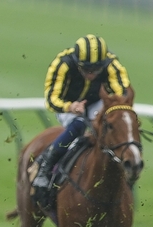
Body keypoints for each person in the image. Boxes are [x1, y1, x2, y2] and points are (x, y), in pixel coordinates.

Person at [31, 34, 131, 206]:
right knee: (78, 125)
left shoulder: (112, 64)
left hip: (96, 103)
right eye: (85, 70)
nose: (91, 75)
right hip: (67, 104)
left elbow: (121, 94)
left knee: (111, 131)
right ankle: (45, 166)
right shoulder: (62, 63)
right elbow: (51, 99)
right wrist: (70, 107)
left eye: (96, 70)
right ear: (77, 63)